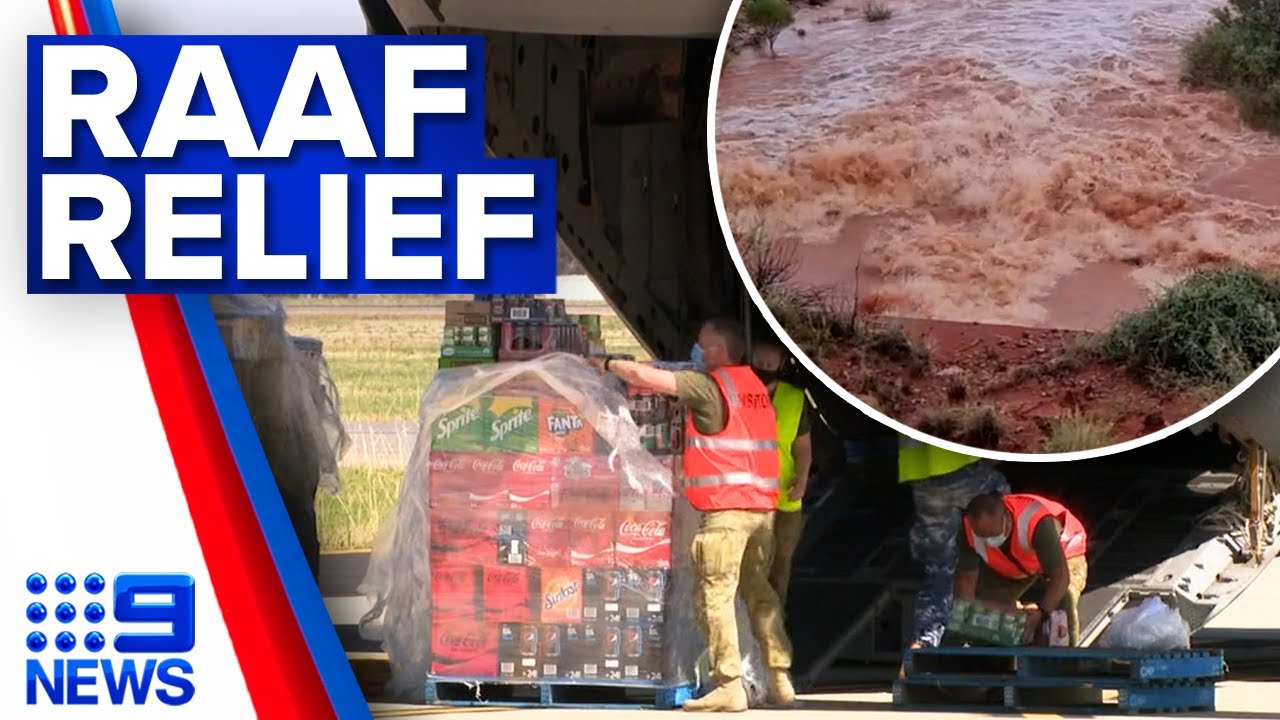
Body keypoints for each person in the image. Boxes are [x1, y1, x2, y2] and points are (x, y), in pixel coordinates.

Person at [594, 318, 794, 712]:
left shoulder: (709, 387)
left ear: (718, 351)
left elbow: (642, 376)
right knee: (759, 594)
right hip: (762, 511)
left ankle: (729, 684)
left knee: (713, 596)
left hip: (726, 514)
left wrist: (606, 365)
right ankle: (780, 678)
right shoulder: (753, 388)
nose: (695, 351)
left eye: (701, 345)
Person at [899, 435, 1010, 649]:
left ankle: (923, 640)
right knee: (1005, 504)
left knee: (939, 566)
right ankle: (998, 609)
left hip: (922, 477)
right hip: (962, 469)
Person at [955, 492, 1089, 646]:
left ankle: (1068, 660)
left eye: (992, 534)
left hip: (1065, 551)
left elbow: (1061, 577)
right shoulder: (967, 530)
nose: (987, 539)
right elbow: (966, 593)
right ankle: (1000, 663)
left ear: (1006, 517)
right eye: (981, 535)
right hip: (1014, 564)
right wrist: (1002, 613)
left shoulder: (1036, 522)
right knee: (986, 616)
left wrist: (1041, 613)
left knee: (1064, 602)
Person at [750, 339, 812, 608]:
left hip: (785, 496)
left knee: (781, 565)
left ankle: (775, 628)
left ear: (782, 364)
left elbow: (803, 447)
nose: (764, 368)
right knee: (754, 565)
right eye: (759, 363)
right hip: (748, 497)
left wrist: (802, 477)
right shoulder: (738, 392)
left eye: (770, 364)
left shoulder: (795, 398)